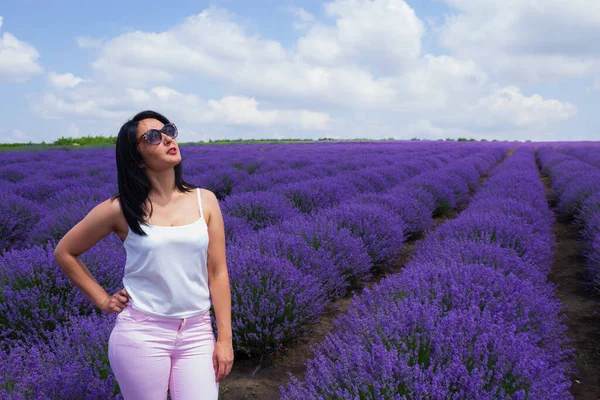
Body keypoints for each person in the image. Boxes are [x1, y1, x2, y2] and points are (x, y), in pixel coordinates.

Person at [53, 110, 234, 399]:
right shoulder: (120, 208)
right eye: (152, 137)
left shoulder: (206, 200)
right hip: (142, 334)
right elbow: (65, 252)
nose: (166, 139)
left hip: (197, 331)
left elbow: (218, 272)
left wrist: (225, 338)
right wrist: (102, 299)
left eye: (168, 131)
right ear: (137, 158)